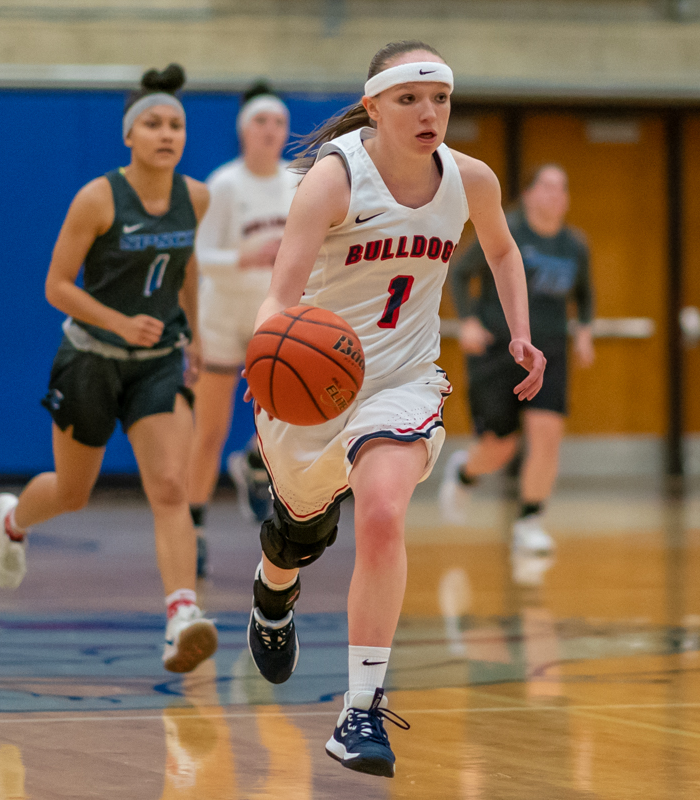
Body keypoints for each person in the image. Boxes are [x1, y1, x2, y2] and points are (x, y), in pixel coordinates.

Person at [242, 41, 544, 778]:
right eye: (410, 99)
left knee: (382, 512)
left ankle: (361, 709)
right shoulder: (334, 179)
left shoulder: (470, 179)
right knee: (299, 530)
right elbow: (282, 292)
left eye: (439, 98)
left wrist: (521, 331)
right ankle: (273, 590)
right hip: (314, 380)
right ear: (373, 105)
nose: (429, 113)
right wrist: (264, 350)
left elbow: (503, 253)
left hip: (402, 382)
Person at [0, 64, 218, 674]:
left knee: (170, 487)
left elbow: (186, 267)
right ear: (129, 136)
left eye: (176, 125)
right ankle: (11, 521)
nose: (167, 134)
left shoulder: (197, 197)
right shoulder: (97, 198)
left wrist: (192, 331)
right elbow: (56, 286)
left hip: (159, 362)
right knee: (72, 493)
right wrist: (118, 322)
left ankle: (181, 617)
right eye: (153, 124)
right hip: (90, 358)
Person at [439, 164, 594, 558]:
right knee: (500, 446)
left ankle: (530, 522)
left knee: (547, 435)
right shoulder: (506, 230)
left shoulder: (575, 245)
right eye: (546, 186)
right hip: (500, 348)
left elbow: (586, 296)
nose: (554, 195)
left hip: (551, 351)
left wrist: (585, 332)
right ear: (528, 195)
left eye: (562, 189)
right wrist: (469, 320)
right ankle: (464, 473)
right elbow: (460, 274)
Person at [186, 80, 298, 577]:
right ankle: (193, 527)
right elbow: (201, 257)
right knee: (208, 431)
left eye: (278, 122)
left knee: (285, 419)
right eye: (260, 122)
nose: (270, 130)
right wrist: (245, 256)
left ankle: (254, 464)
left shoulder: (297, 183)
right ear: (243, 131)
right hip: (221, 316)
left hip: (269, 317)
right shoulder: (225, 184)